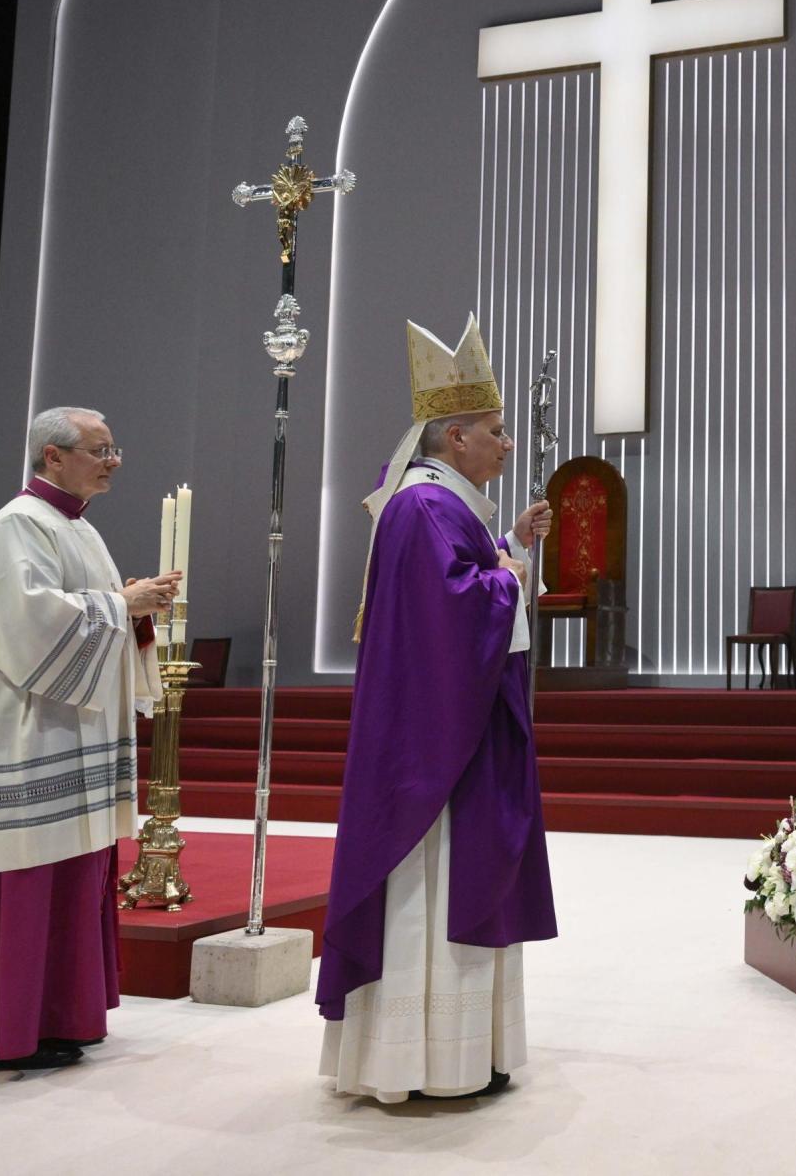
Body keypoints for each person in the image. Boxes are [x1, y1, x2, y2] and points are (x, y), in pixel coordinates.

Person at [318, 315, 558, 1103]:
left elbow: (465, 585)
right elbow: (450, 617)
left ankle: (461, 1051)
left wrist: (508, 552)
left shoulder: (445, 506)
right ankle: (420, 1059)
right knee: (438, 886)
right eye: (495, 431)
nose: (507, 444)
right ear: (455, 439)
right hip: (438, 759)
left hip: (459, 735)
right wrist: (508, 578)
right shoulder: (424, 508)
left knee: (471, 881)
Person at [0, 406, 177, 1069]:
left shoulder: (75, 527)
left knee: (70, 871)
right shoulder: (17, 526)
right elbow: (30, 625)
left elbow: (86, 612)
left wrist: (131, 607)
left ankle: (58, 1015)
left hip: (67, 733)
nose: (113, 460)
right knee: (25, 874)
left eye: (115, 447)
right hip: (26, 738)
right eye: (99, 448)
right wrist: (125, 604)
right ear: (52, 457)